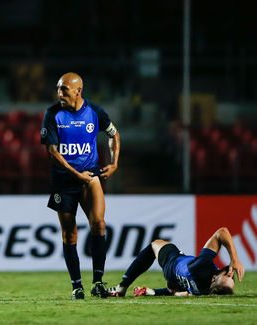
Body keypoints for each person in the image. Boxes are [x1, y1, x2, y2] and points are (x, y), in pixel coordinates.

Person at [40, 72, 120, 299]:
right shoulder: (52, 114)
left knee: (99, 225)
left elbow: (114, 134)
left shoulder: (94, 112)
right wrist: (77, 174)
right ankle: (77, 286)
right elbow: (53, 153)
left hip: (90, 176)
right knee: (70, 234)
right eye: (58, 89)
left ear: (78, 91)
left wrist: (114, 163)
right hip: (64, 181)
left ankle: (97, 282)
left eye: (64, 89)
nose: (59, 94)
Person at [109, 227, 245, 297]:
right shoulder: (206, 292)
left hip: (173, 262)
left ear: (214, 277)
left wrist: (235, 259)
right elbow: (179, 292)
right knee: (176, 290)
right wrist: (177, 293)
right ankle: (153, 292)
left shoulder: (204, 266)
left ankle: (122, 287)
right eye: (232, 277)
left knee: (154, 244)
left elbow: (222, 232)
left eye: (227, 276)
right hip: (177, 283)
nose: (230, 274)